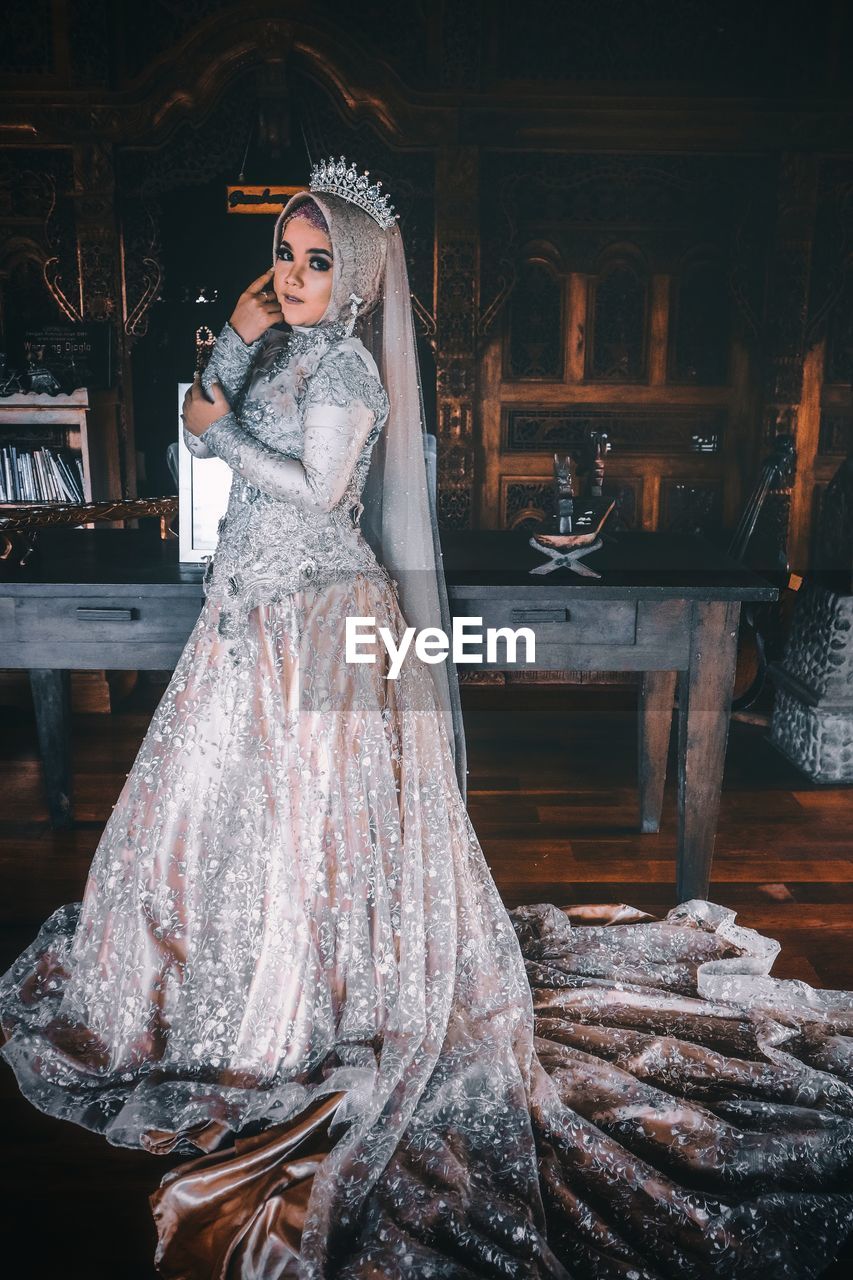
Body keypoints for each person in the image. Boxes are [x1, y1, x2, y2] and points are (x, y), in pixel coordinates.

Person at [2, 157, 852, 1280]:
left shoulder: (351, 370)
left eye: (317, 262)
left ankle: (315, 991)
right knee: (221, 813)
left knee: (318, 822)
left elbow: (308, 490)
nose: (294, 274)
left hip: (321, 616)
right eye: (284, 254)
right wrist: (228, 358)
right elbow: (215, 408)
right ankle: (224, 974)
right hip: (244, 613)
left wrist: (213, 429)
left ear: (354, 282)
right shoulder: (277, 343)